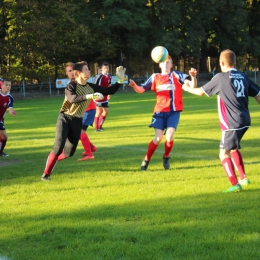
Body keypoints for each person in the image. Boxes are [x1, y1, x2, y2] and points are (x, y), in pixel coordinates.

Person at [182, 49, 260, 192]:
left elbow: (200, 92)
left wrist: (186, 88)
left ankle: (235, 184)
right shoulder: (243, 77)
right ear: (235, 62)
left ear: (221, 63)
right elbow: (258, 95)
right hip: (245, 120)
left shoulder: (220, 78)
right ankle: (243, 178)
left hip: (231, 123)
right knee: (233, 148)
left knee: (223, 153)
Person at [41, 61, 126, 181]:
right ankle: (46, 174)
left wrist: (120, 80)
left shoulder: (91, 86)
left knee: (69, 153)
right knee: (58, 147)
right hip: (65, 118)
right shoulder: (72, 85)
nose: (89, 71)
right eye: (86, 69)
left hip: (77, 121)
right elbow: (72, 99)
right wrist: (89, 96)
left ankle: (53, 158)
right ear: (79, 73)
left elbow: (109, 91)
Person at [129, 55, 197, 170]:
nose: (166, 64)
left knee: (169, 135)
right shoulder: (155, 77)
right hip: (159, 112)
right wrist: (134, 85)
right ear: (159, 64)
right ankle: (146, 160)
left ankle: (166, 157)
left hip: (173, 111)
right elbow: (141, 90)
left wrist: (193, 77)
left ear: (171, 65)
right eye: (163, 62)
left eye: (168, 62)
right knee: (158, 138)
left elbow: (192, 86)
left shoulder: (176, 75)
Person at [0, 79, 17, 157]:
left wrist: (12, 112)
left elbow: (10, 109)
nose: (8, 87)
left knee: (4, 137)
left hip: (0, 120)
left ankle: (0, 152)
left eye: (9, 85)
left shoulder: (10, 98)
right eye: (6, 85)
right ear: (2, 85)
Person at [94, 63, 112, 131]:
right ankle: (96, 128)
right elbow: (95, 86)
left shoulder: (109, 75)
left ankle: (100, 126)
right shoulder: (99, 76)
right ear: (102, 69)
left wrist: (109, 94)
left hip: (105, 96)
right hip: (99, 96)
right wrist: (96, 95)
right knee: (98, 112)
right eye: (105, 68)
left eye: (107, 68)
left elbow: (109, 85)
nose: (106, 69)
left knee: (106, 112)